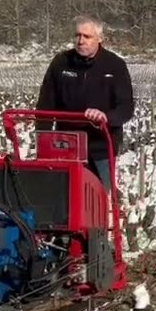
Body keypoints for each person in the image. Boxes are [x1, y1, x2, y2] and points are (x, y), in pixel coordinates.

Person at [35, 16, 134, 188]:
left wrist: (106, 117)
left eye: (87, 36)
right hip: (66, 144)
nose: (80, 41)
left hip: (101, 145)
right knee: (64, 195)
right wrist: (43, 139)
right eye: (77, 35)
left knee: (99, 196)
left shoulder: (114, 65)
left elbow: (126, 107)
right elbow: (46, 103)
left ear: (99, 39)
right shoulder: (61, 62)